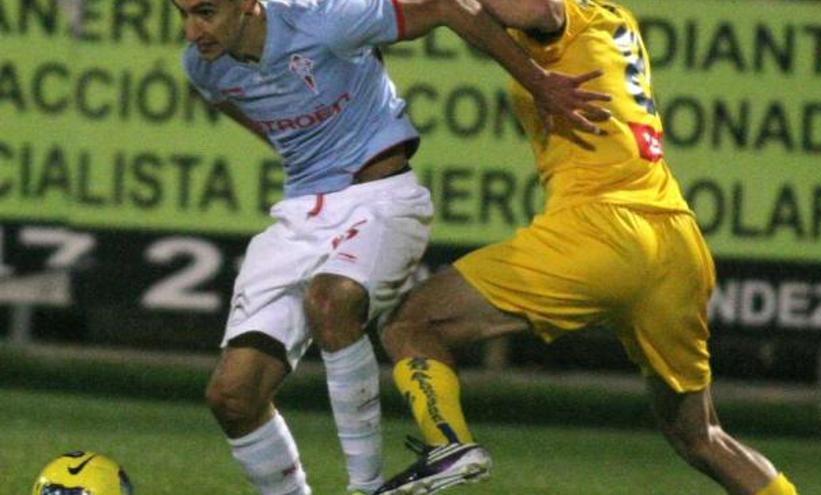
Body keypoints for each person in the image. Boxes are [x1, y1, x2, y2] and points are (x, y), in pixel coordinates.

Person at [172, 0, 610, 493]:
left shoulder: (325, 21)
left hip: (382, 202)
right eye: (182, 14)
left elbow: (449, 6)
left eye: (205, 12)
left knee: (330, 299)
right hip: (299, 217)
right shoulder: (203, 66)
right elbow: (236, 103)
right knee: (232, 397)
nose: (192, 31)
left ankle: (366, 485)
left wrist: (538, 81)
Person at [376, 1, 801, 495]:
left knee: (413, 322)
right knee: (702, 436)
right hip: (676, 243)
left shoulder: (567, 15)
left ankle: (449, 446)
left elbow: (535, 11)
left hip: (600, 232)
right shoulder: (617, 17)